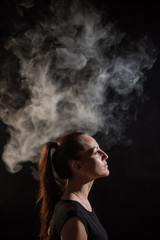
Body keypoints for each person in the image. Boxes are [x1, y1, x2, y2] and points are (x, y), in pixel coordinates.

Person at [37, 132, 109, 240]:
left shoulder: (80, 203)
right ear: (78, 166)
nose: (105, 155)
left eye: (100, 149)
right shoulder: (74, 217)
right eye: (95, 152)